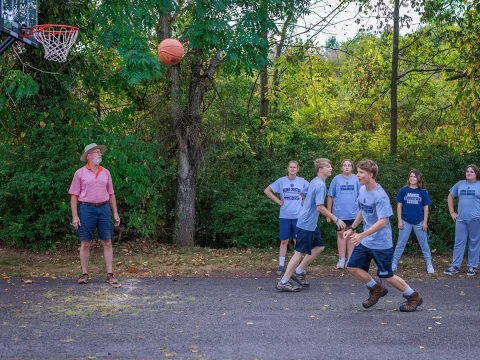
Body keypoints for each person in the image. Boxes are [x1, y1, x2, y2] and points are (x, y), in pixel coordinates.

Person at [344, 160, 423, 312]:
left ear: (371, 175)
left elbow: (382, 222)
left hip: (381, 243)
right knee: (352, 266)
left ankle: (414, 296)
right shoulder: (362, 190)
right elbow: (362, 210)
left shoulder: (380, 196)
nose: (357, 175)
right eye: (357, 172)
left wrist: (361, 235)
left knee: (387, 275)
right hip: (367, 240)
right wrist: (352, 228)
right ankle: (376, 288)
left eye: (361, 172)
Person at [275, 158, 346, 292]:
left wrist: (305, 201)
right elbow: (320, 207)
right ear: (321, 170)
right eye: (328, 166)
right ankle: (283, 281)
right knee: (299, 252)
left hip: (311, 224)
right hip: (306, 223)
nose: (331, 168)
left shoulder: (315, 181)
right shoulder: (319, 185)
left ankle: (299, 271)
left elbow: (303, 193)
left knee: (319, 247)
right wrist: (336, 219)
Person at [68, 143, 121, 285]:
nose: (100, 154)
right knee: (85, 243)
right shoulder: (80, 173)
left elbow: (111, 194)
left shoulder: (106, 172)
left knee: (108, 241)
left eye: (100, 152)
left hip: (104, 209)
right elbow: (74, 196)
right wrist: (75, 216)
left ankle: (110, 274)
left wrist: (115, 212)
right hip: (86, 209)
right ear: (89, 156)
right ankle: (84, 274)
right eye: (97, 152)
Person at [264, 161, 309, 276]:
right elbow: (267, 190)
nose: (292, 169)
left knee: (297, 241)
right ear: (288, 168)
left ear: (298, 169)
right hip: (284, 215)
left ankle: (297, 266)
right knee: (284, 241)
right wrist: (278, 201)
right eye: (291, 167)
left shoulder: (302, 181)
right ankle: (281, 265)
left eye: (295, 167)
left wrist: (304, 200)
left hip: (298, 216)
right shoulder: (281, 181)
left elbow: (312, 191)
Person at [392, 170, 434, 274]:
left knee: (424, 244)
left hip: (419, 222)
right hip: (405, 221)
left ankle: (429, 264)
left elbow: (426, 208)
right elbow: (399, 206)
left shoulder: (423, 192)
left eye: (414, 177)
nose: (412, 178)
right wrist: (399, 221)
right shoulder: (403, 190)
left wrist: (425, 222)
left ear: (418, 178)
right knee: (400, 244)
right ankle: (394, 263)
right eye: (410, 176)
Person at [444, 164, 480, 276]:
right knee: (459, 243)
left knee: (474, 243)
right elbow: (450, 196)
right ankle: (455, 266)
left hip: (476, 219)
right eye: (467, 171)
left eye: (471, 172)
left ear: (476, 174)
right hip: (461, 220)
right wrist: (452, 212)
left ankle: (472, 267)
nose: (469, 173)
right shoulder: (460, 184)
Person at [327, 159, 360, 269]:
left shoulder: (356, 179)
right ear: (341, 167)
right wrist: (328, 213)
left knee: (351, 235)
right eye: (344, 165)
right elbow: (330, 196)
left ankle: (350, 259)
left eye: (349, 165)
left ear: (352, 167)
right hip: (339, 214)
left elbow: (362, 196)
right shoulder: (336, 179)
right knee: (341, 234)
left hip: (353, 213)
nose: (347, 167)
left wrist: (362, 213)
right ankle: (341, 259)